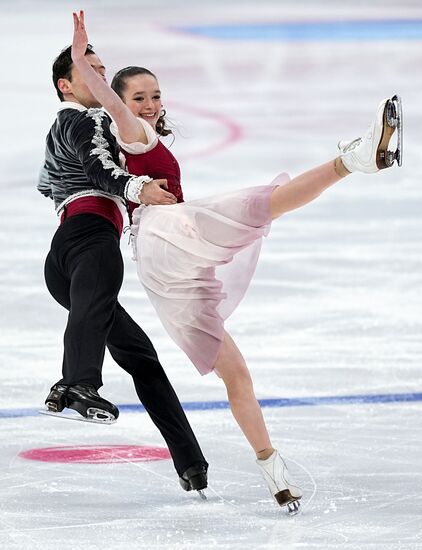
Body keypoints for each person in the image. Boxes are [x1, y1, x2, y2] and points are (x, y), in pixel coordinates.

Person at [71, 11, 402, 512]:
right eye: (140, 97)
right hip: (166, 234)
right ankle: (354, 160)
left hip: (165, 275)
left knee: (236, 374)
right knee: (261, 204)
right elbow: (114, 106)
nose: (151, 105)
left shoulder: (146, 138)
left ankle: (272, 468)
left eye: (156, 95)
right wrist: (84, 64)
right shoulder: (133, 132)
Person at [37, 29, 209, 496]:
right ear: (65, 85)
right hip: (90, 239)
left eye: (101, 69)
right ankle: (77, 383)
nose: (99, 76)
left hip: (71, 255)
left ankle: (190, 461)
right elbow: (98, 168)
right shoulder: (81, 120)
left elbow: (49, 182)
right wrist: (136, 190)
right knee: (104, 321)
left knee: (140, 356)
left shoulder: (89, 124)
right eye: (88, 70)